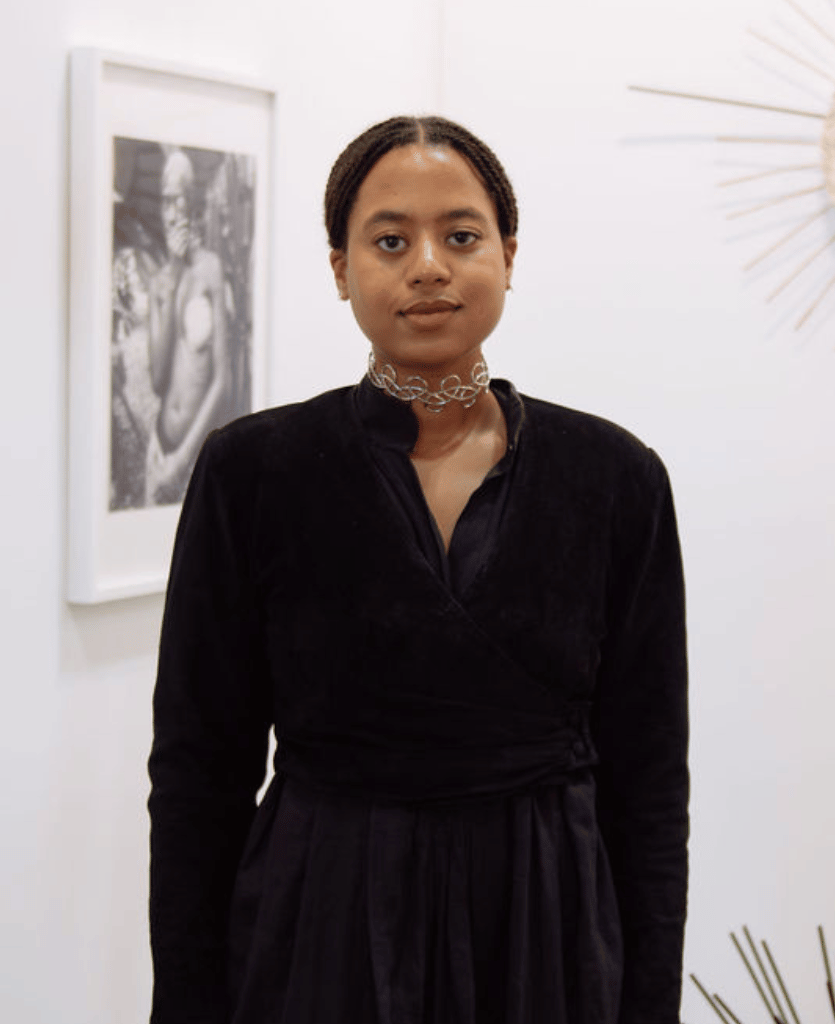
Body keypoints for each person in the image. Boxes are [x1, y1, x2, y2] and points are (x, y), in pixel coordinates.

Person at [148, 115, 689, 1024]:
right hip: (320, 917)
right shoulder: (254, 470)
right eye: (390, 240)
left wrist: (647, 1002)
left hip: (544, 924)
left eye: (462, 235)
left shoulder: (614, 476)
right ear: (339, 267)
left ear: (508, 255)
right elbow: (199, 771)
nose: (428, 265)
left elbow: (650, 780)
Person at [145, 148, 231, 504]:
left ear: (193, 208)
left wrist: (181, 463)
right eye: (167, 202)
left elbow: (222, 381)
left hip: (194, 458)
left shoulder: (211, 269)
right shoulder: (159, 282)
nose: (174, 214)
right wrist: (174, 276)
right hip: (160, 445)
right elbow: (157, 379)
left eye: (181, 201)